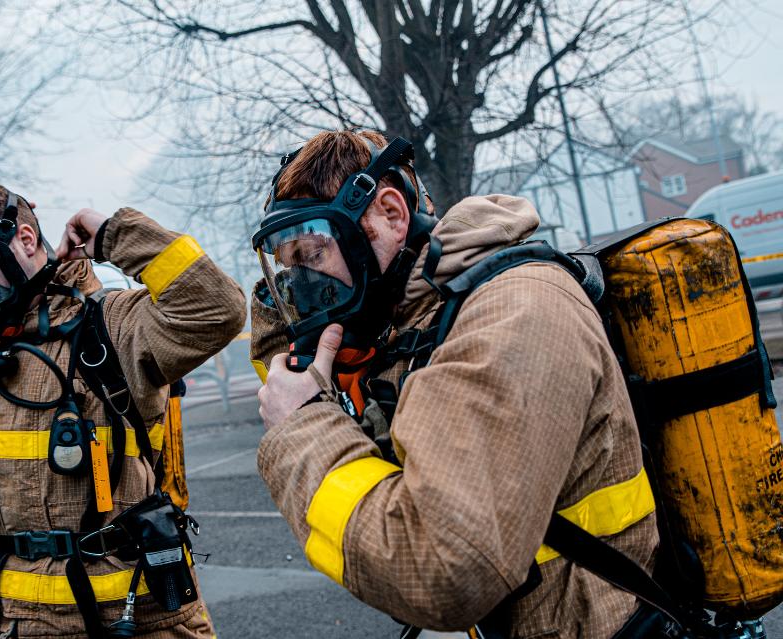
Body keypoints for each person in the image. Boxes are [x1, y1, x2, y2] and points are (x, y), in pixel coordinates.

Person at [249, 131, 659, 638]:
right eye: (290, 267)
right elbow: (292, 374)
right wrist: (282, 306)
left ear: (392, 215)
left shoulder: (512, 314)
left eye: (311, 254)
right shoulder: (418, 321)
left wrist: (304, 426)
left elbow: (442, 574)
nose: (304, 284)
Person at [0, 183, 246, 638]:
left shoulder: (111, 324)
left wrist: (117, 235)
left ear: (23, 239)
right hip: (24, 622)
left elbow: (217, 309)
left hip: (140, 616)